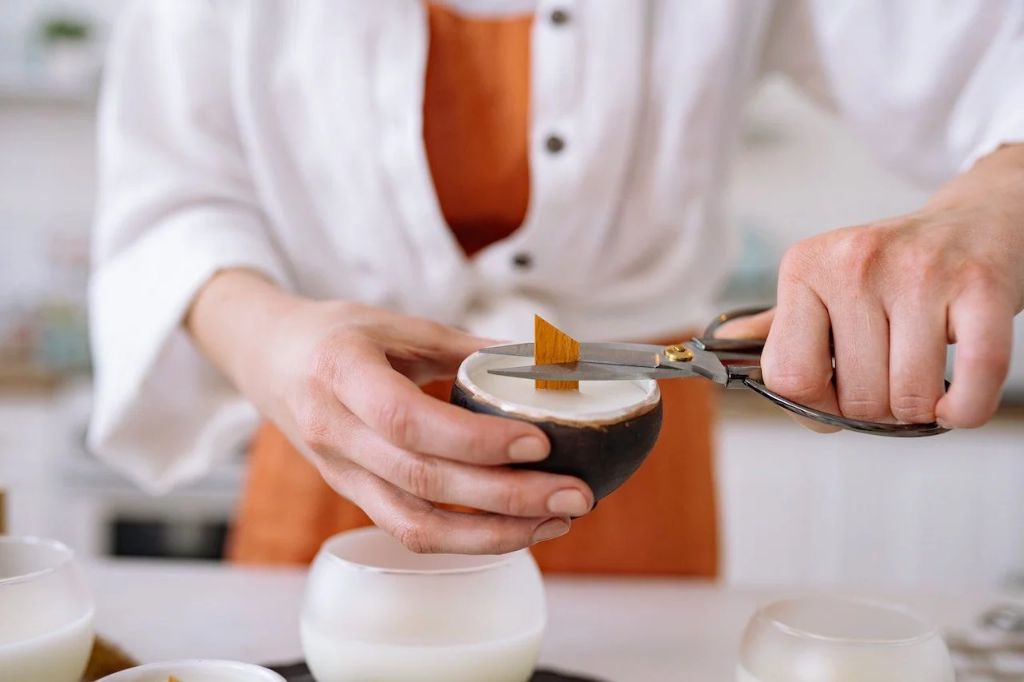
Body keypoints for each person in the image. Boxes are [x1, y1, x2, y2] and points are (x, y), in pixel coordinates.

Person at [90, 1, 1024, 573]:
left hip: (631, 491)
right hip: (339, 453)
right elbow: (168, 198)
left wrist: (998, 198)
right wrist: (272, 344)